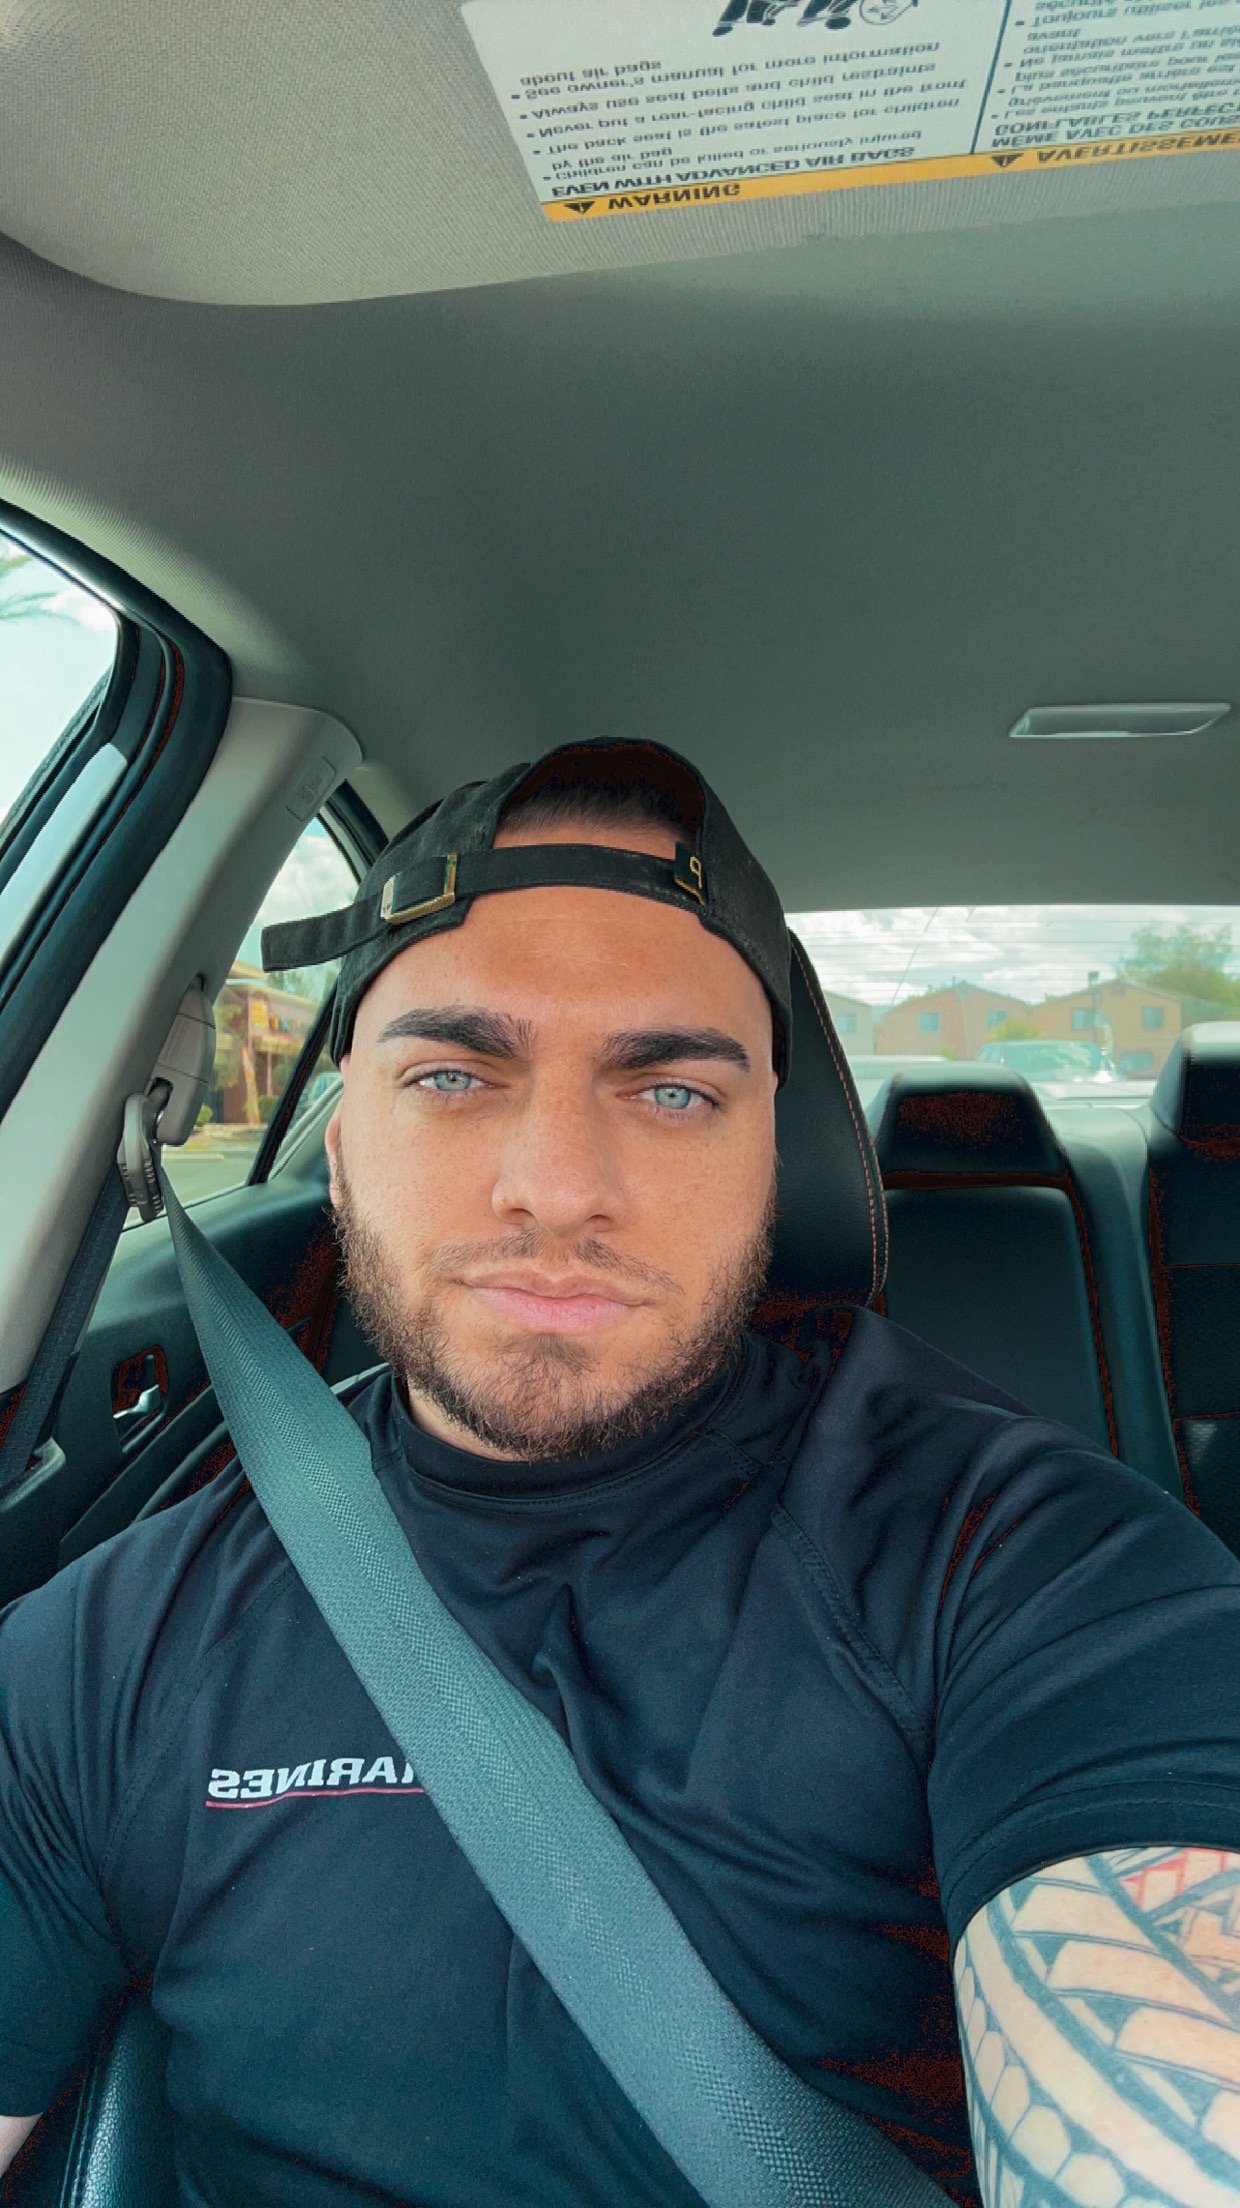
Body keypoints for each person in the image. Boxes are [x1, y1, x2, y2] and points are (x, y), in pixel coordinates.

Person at [2, 735, 1240, 2208]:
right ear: (340, 1144)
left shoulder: (1036, 1564)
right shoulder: (107, 1643)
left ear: (773, 1153)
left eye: (672, 1094)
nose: (558, 1187)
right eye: (452, 1075)